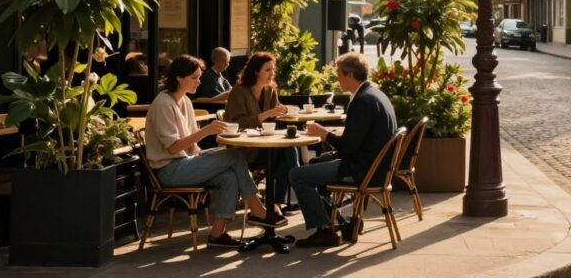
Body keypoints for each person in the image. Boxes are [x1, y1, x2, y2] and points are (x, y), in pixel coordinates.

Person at [144, 54, 281, 248]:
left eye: (199, 77)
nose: (199, 82)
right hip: (169, 170)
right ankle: (257, 207)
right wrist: (206, 131)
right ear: (178, 77)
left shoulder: (185, 101)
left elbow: (192, 146)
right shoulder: (163, 104)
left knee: (230, 176)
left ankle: (217, 235)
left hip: (186, 162)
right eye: (194, 77)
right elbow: (173, 147)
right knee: (233, 154)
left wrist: (204, 154)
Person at [289, 52, 397, 248]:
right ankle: (338, 220)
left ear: (349, 75)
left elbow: (349, 146)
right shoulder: (375, 93)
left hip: (362, 169)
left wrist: (324, 134)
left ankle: (324, 230)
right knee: (315, 163)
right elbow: (356, 141)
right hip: (376, 166)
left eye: (339, 74)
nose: (337, 78)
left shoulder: (363, 101)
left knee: (297, 175)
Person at [224, 51, 297, 216]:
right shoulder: (239, 91)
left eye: (273, 70)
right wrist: (266, 114)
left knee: (288, 152)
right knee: (287, 154)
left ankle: (274, 202)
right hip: (245, 149)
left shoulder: (270, 91)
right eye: (267, 70)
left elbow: (274, 118)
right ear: (256, 71)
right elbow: (236, 123)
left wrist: (282, 112)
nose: (272, 74)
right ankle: (282, 196)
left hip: (265, 145)